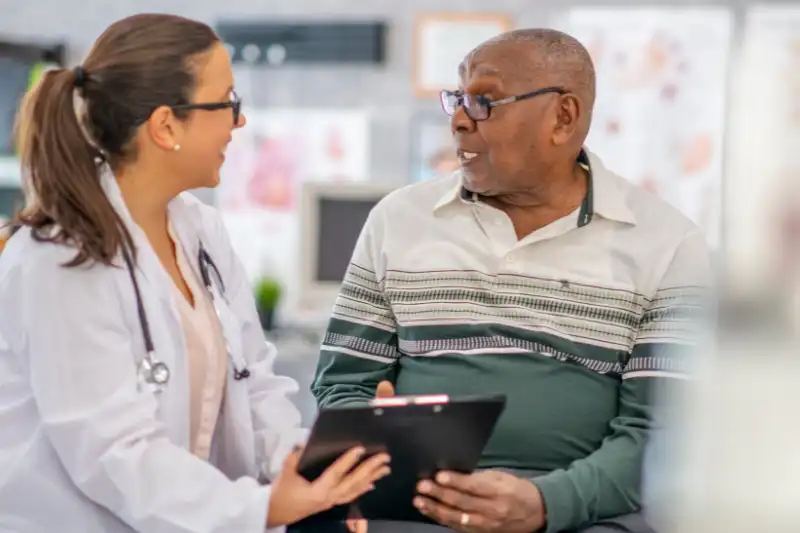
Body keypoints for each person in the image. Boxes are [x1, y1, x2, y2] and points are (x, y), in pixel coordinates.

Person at [310, 28, 712, 533]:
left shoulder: (667, 243)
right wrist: (379, 459)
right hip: (414, 508)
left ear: (563, 117)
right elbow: (344, 385)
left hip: (577, 513)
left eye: (483, 101)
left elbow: (660, 435)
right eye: (458, 99)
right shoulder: (399, 219)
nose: (458, 120)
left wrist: (545, 503)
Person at [0, 13, 389, 533]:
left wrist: (310, 471)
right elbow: (114, 453)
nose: (239, 121)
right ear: (165, 126)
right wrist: (265, 509)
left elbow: (256, 385)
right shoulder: (60, 255)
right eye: (228, 102)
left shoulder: (200, 230)